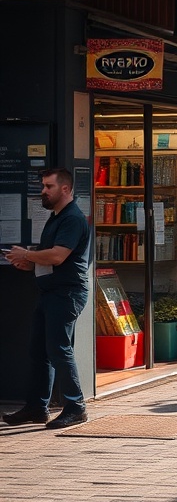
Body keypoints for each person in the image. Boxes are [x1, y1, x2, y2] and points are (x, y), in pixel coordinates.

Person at [2, 168, 91, 429]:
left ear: (65, 189)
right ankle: (37, 408)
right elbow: (50, 258)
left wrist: (28, 256)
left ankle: (76, 407)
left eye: (48, 186)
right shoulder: (56, 217)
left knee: (59, 349)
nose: (43, 190)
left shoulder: (72, 218)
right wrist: (28, 264)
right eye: (43, 185)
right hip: (50, 292)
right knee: (39, 351)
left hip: (67, 293)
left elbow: (57, 256)